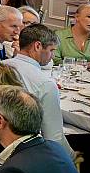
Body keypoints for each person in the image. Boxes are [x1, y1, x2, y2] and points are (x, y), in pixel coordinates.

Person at [4, 24, 73, 155]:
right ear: (37, 46)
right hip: (26, 150)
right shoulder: (45, 84)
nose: (52, 56)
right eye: (51, 50)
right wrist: (73, 156)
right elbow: (54, 138)